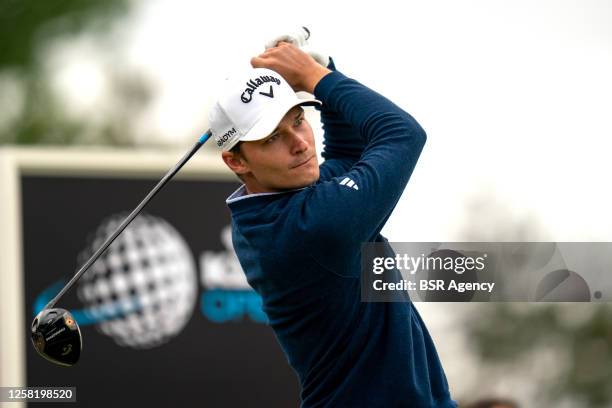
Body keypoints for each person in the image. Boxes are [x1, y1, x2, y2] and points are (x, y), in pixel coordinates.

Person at [209, 35, 456, 407]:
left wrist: (325, 68)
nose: (300, 144)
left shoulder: (276, 204)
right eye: (273, 137)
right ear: (236, 161)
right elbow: (403, 134)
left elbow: (349, 150)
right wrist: (315, 76)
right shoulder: (314, 227)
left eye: (298, 120)